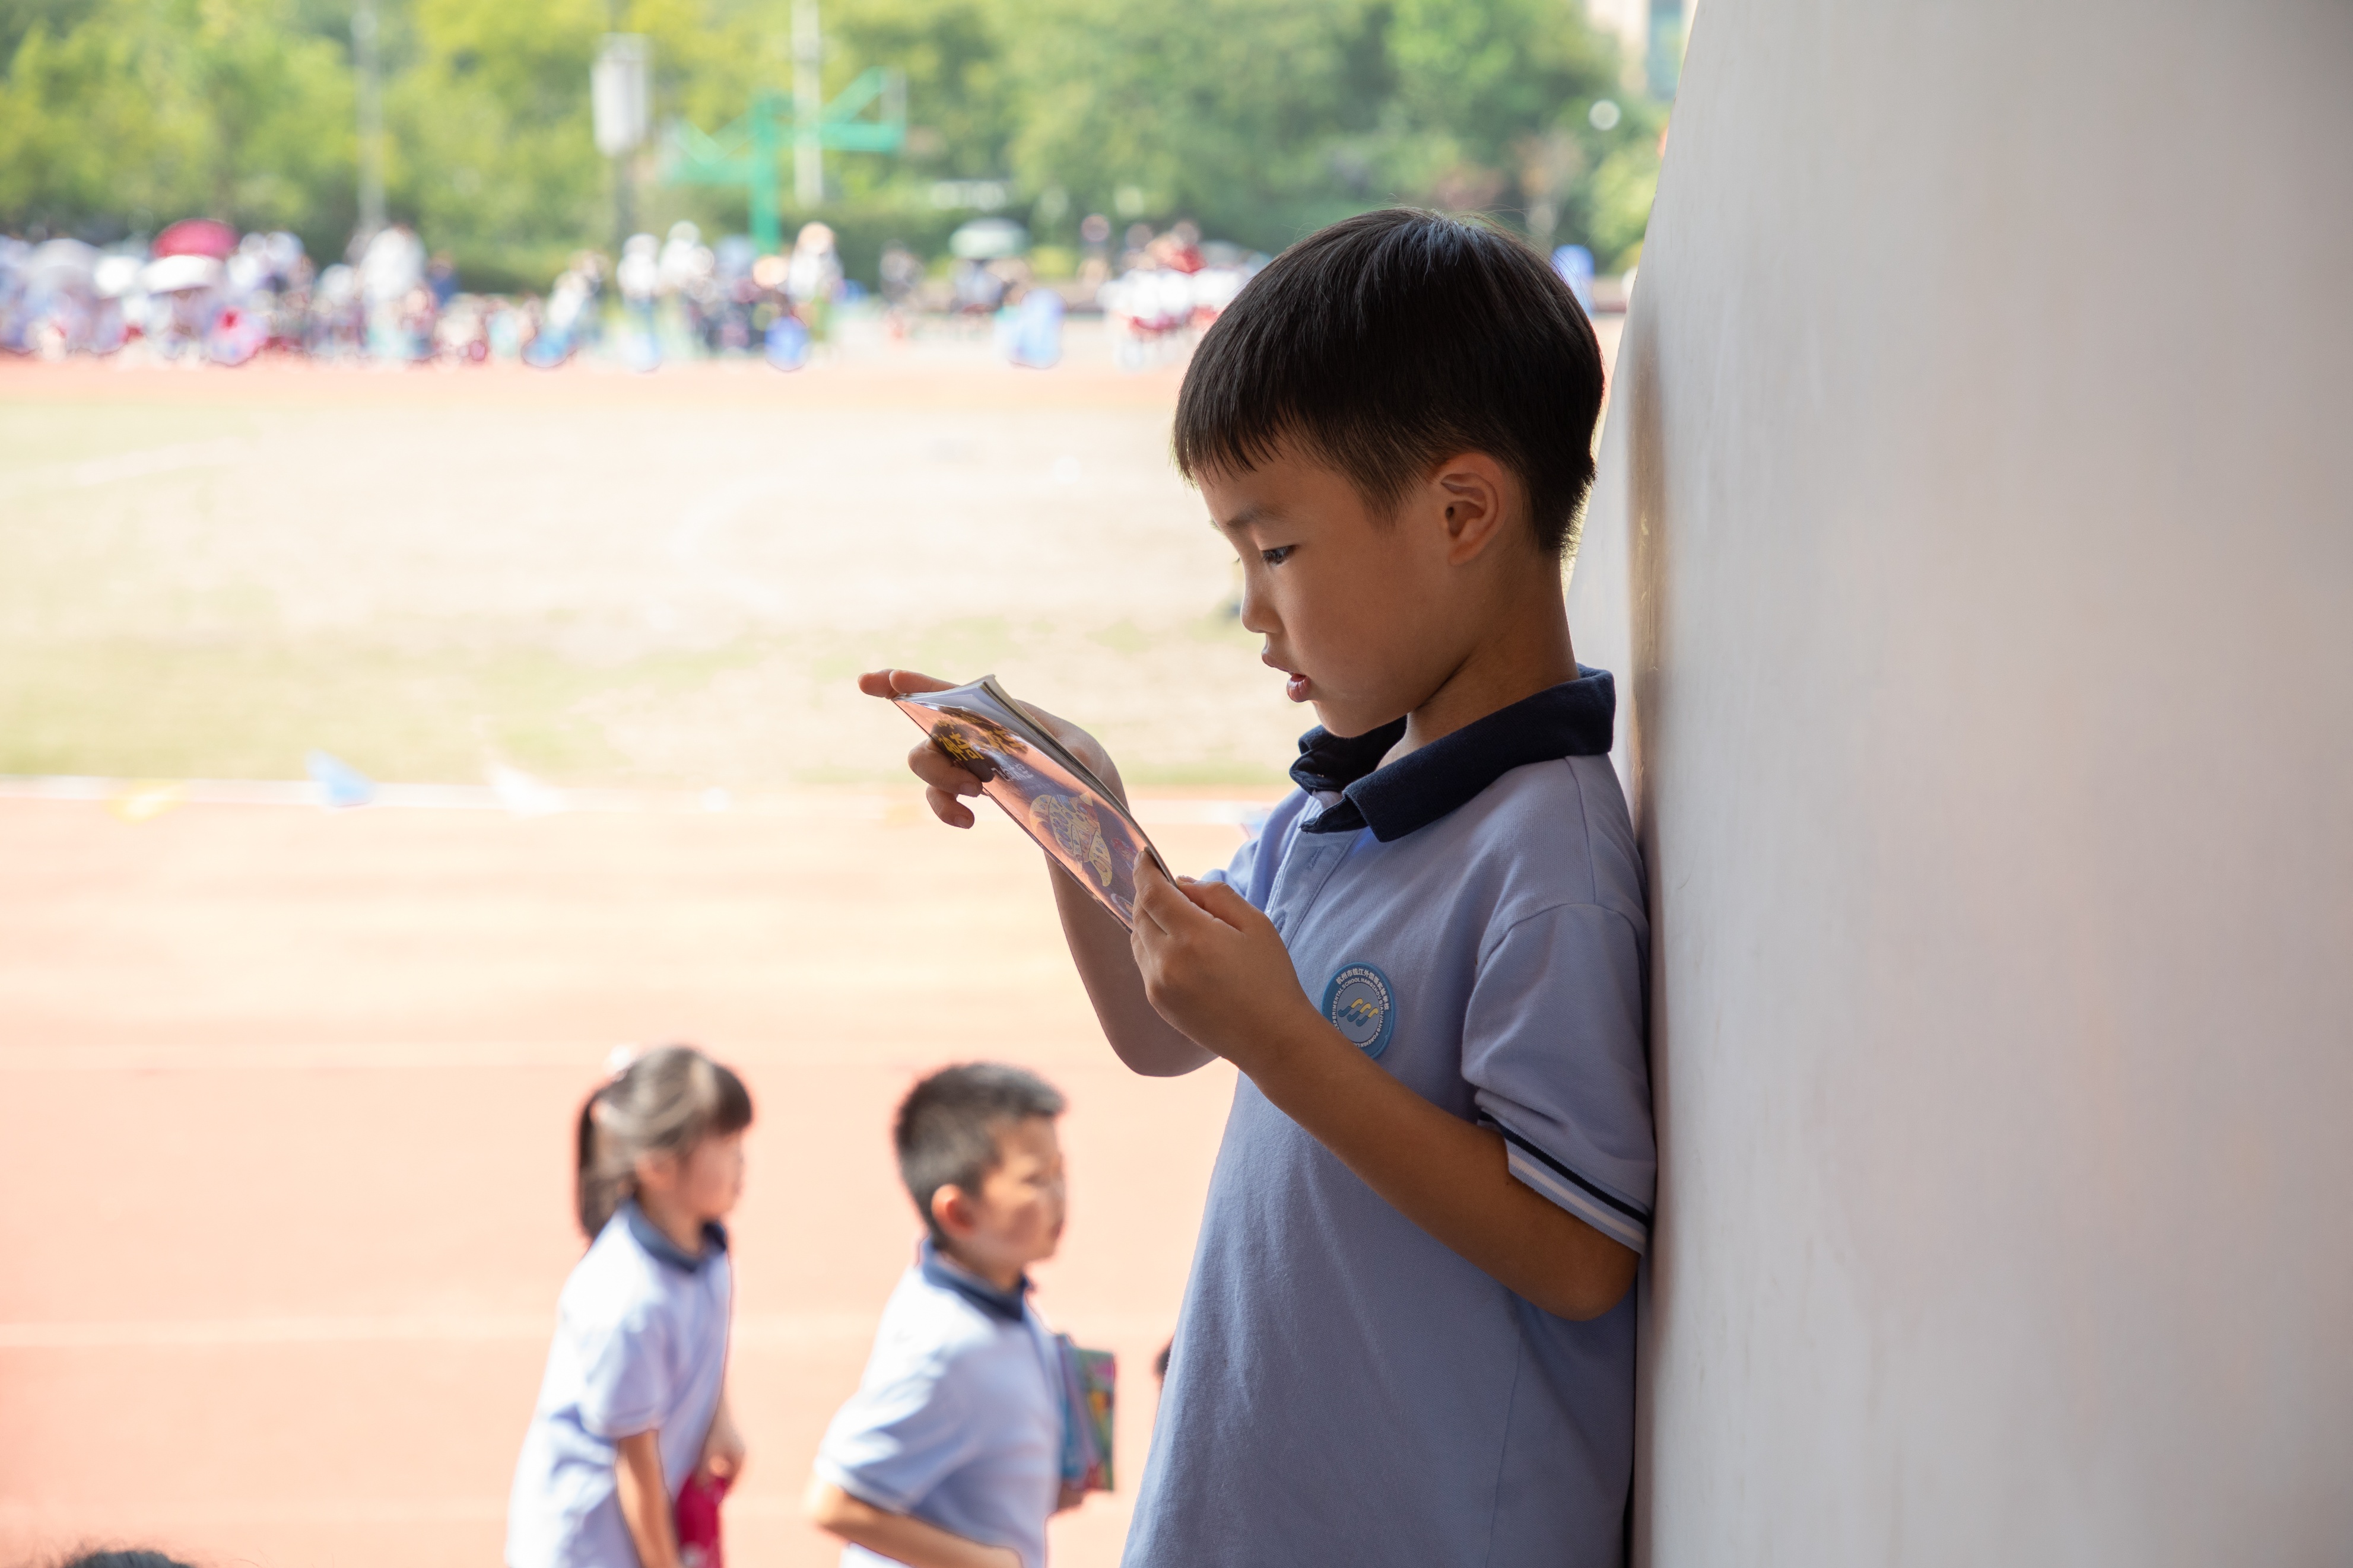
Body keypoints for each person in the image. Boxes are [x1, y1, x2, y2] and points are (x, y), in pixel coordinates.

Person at [859, 207, 1649, 1567]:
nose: (1250, 607)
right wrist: (1072, 799)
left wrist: (1285, 1041)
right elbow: (1159, 1024)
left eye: (1273, 548)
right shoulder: (1339, 806)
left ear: (1461, 513)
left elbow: (1579, 1251)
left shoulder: (1544, 857)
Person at [805, 1064, 1082, 1568]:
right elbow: (835, 1501)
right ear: (959, 1213)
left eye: (1059, 1171)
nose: (1059, 1194)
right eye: (1036, 1180)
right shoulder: (945, 1346)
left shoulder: (999, 1293)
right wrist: (990, 1563)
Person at [507, 1046, 753, 1568]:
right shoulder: (625, 1305)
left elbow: (710, 1335)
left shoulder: (706, 1245)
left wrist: (719, 1417)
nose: (743, 1162)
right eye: (727, 1144)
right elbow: (634, 1468)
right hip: (588, 1546)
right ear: (658, 1167)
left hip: (641, 1521)